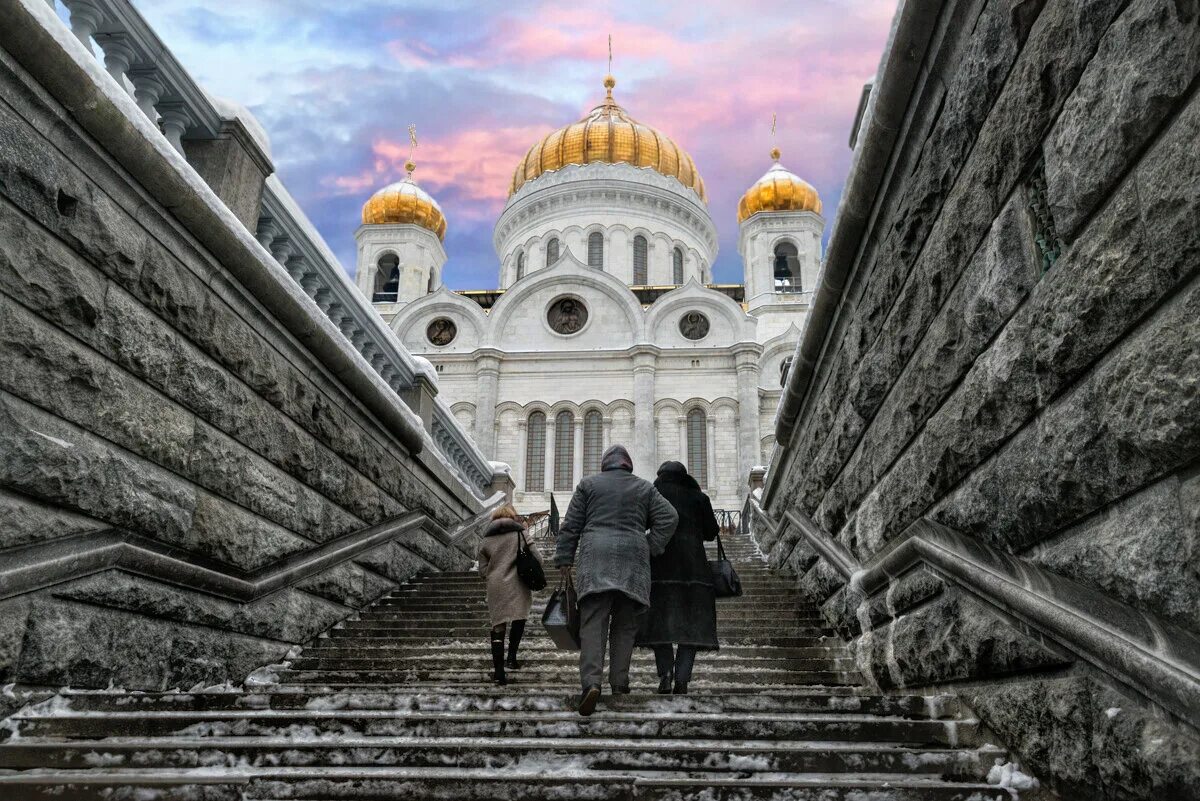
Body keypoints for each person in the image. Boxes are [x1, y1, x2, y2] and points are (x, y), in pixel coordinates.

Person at [554, 445, 678, 716]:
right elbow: (669, 517)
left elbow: (571, 525)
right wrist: (650, 545)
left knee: (592, 624)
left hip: (595, 558)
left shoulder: (588, 485)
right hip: (632, 560)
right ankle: (620, 684)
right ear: (628, 465)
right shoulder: (644, 488)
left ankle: (591, 684)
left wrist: (564, 558)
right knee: (624, 627)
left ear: (604, 465)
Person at [637, 461, 720, 694]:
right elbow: (712, 532)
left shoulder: (654, 495)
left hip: (660, 568)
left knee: (659, 624)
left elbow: (641, 523)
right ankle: (682, 678)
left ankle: (665, 675)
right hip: (694, 570)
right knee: (692, 625)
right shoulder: (698, 497)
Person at [476, 504, 537, 686]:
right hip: (519, 583)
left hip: (496, 586)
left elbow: (482, 570)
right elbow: (538, 558)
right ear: (513, 517)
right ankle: (511, 657)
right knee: (520, 616)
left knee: (498, 625)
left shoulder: (486, 540)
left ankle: (499, 672)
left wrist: (495, 572)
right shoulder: (521, 534)